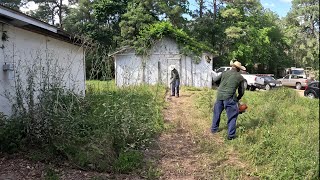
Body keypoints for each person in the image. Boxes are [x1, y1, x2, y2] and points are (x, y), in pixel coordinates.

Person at [211, 60, 246, 140]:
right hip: (230, 97)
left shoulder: (224, 73)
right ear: (239, 69)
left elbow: (215, 80)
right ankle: (231, 136)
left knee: (216, 113)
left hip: (219, 95)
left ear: (232, 67)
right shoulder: (240, 77)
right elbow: (242, 91)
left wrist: (220, 86)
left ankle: (214, 130)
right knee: (232, 116)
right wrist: (238, 98)